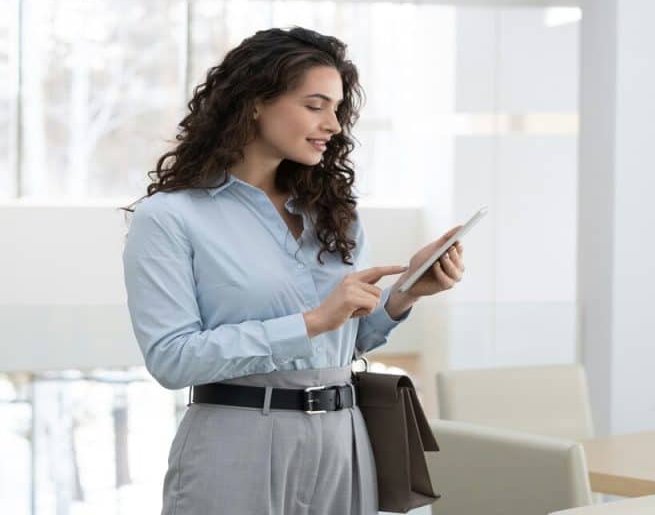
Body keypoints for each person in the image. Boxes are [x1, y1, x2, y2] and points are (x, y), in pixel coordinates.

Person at [121, 26, 465, 515]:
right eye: (315, 105)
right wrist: (312, 322)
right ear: (255, 102)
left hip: (345, 442)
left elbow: (346, 339)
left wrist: (403, 296)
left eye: (338, 109)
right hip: (236, 443)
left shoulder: (332, 212)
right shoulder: (170, 218)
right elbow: (172, 360)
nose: (334, 125)